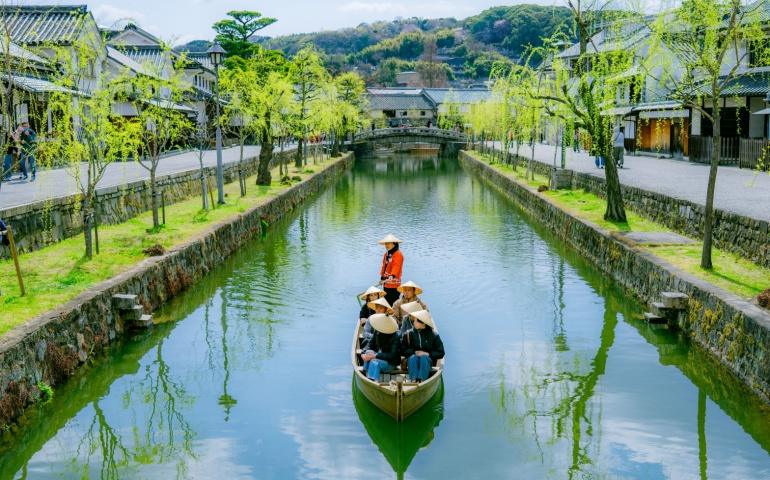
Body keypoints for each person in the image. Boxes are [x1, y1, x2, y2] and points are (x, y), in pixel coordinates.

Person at [401, 309, 444, 383]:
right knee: (412, 358)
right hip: (412, 360)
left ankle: (421, 380)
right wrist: (414, 352)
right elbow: (402, 350)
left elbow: (441, 352)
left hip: (428, 361)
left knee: (424, 358)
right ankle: (413, 380)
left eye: (416, 321)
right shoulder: (408, 334)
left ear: (423, 323)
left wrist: (427, 354)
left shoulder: (434, 335)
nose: (413, 322)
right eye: (414, 320)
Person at [360, 313, 400, 381]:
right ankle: (365, 373)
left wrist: (375, 356)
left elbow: (392, 355)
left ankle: (372, 380)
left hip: (390, 363)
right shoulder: (378, 331)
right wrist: (363, 353)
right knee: (368, 352)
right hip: (378, 357)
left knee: (374, 361)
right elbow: (370, 345)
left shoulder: (395, 337)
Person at [378, 234, 404, 305]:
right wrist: (382, 277)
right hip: (386, 283)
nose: (386, 245)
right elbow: (384, 266)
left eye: (388, 243)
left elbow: (397, 266)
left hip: (394, 283)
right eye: (386, 243)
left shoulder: (398, 254)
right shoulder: (386, 254)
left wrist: (392, 275)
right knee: (386, 301)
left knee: (394, 302)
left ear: (394, 243)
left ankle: (395, 315)